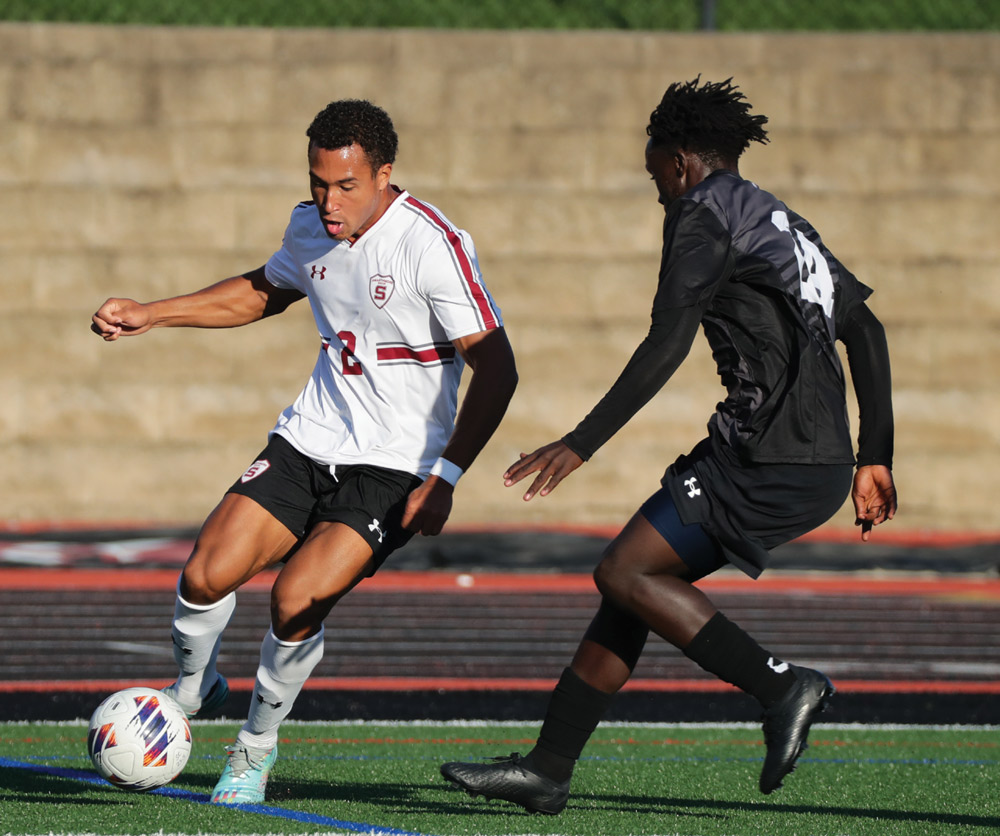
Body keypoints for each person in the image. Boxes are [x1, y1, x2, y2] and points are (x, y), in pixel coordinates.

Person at [440, 77, 896, 812]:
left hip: (768, 454)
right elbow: (865, 330)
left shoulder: (700, 213)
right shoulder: (778, 218)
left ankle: (783, 686)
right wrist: (875, 456)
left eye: (655, 170)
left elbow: (666, 343)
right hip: (807, 456)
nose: (656, 188)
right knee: (634, 587)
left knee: (623, 571)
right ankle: (548, 769)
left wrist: (580, 442)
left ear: (680, 161)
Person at [91, 99, 517, 805]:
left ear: (384, 174)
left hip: (396, 464)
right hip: (308, 437)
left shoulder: (432, 244)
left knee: (295, 600)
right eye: (318, 183)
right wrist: (153, 313)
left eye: (346, 185)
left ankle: (254, 749)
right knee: (204, 573)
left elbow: (498, 368)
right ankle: (193, 690)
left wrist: (445, 476)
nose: (328, 201)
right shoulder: (310, 226)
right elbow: (265, 290)